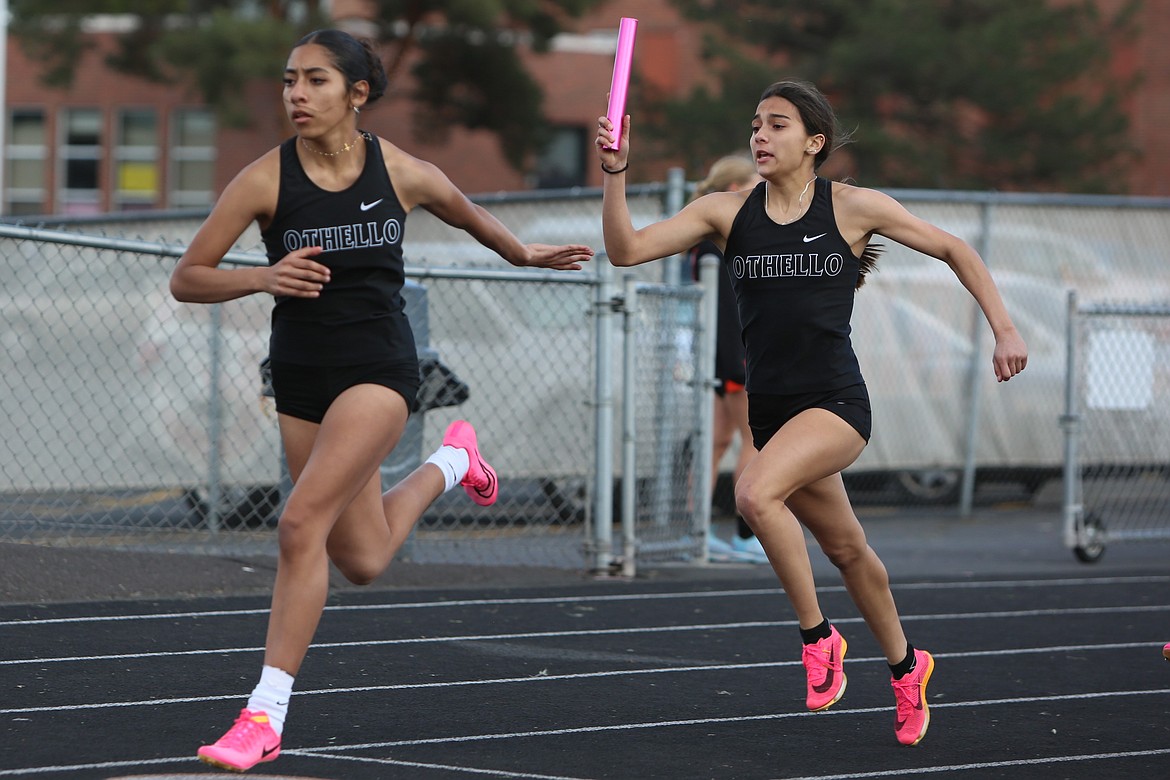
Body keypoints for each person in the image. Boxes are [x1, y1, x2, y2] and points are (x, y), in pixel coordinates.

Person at [171, 28, 592, 773]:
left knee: (300, 523)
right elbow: (189, 277)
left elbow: (470, 214)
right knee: (361, 557)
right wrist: (263, 278)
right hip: (300, 377)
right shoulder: (264, 179)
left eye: (316, 81)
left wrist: (525, 253)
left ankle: (264, 714)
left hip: (379, 369)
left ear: (357, 93)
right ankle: (454, 460)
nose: (296, 94)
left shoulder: (398, 169)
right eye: (289, 80)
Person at [596, 79, 1027, 747]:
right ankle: (908, 666)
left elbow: (954, 249)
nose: (760, 137)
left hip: (834, 404)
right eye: (755, 125)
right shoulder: (725, 211)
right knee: (849, 550)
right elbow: (625, 249)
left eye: (777, 125)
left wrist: (1003, 328)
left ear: (814, 142)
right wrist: (615, 176)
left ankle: (818, 637)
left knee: (753, 493)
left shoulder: (852, 208)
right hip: (771, 410)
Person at [687, 155, 767, 564]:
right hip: (735, 359)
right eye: (754, 185)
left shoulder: (709, 242)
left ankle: (694, 528)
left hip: (724, 359)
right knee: (754, 441)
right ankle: (743, 532)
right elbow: (725, 313)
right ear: (734, 190)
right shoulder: (716, 245)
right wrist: (736, 364)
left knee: (718, 441)